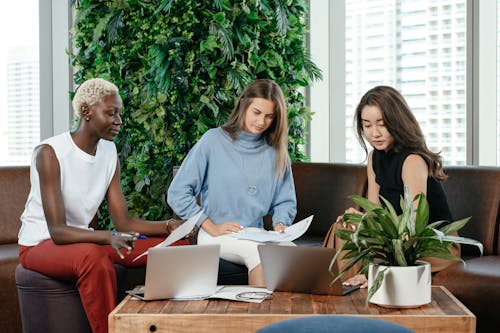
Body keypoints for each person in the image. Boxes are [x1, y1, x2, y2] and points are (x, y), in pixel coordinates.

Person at [17, 78, 188, 333]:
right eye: (111, 113)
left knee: (177, 246)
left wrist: (169, 227)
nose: (119, 121)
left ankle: (174, 323)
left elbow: (124, 223)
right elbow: (58, 231)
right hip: (41, 244)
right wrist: (109, 237)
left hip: (83, 241)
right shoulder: (49, 153)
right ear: (86, 111)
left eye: (119, 113)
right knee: (93, 257)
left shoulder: (109, 152)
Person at [167, 79, 297, 286]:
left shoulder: (276, 152)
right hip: (216, 234)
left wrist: (281, 224)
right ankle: (258, 319)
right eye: (256, 112)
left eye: (269, 116)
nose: (261, 121)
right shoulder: (213, 140)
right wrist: (209, 225)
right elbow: (177, 192)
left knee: (294, 256)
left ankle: (290, 318)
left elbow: (285, 201)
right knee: (262, 255)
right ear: (243, 104)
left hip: (256, 233)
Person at [334, 85, 455, 287]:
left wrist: (380, 266)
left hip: (431, 244)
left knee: (378, 260)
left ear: (398, 122)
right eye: (367, 125)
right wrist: (358, 219)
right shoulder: (374, 158)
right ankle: (346, 295)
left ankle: (362, 289)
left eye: (382, 124)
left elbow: (414, 225)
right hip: (395, 241)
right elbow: (375, 213)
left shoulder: (412, 160)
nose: (375, 133)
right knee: (343, 227)